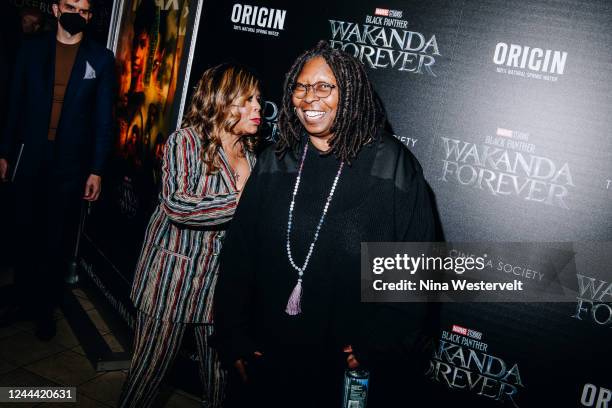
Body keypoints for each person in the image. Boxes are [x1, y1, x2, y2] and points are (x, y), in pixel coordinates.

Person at [214, 41, 436, 407]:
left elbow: (413, 274)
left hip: (338, 371)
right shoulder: (278, 160)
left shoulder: (393, 167)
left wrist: (374, 346)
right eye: (300, 88)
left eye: (323, 87)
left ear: (349, 92)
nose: (308, 98)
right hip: (265, 360)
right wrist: (233, 335)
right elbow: (239, 254)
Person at [118, 64, 262, 408]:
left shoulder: (253, 156)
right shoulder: (186, 141)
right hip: (171, 281)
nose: (258, 107)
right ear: (222, 101)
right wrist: (243, 201)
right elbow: (179, 206)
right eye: (247, 99)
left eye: (258, 99)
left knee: (220, 381)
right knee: (147, 376)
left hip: (219, 291)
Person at [0, 0, 114, 340]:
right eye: (70, 6)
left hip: (71, 163)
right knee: (23, 228)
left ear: (90, 16)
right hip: (30, 155)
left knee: (56, 237)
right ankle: (21, 299)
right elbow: (13, 103)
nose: (76, 14)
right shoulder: (31, 50)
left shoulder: (101, 58)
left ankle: (45, 309)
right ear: (54, 8)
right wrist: (4, 152)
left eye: (84, 10)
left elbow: (104, 118)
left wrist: (96, 169)